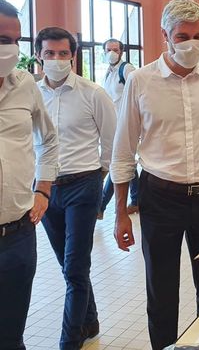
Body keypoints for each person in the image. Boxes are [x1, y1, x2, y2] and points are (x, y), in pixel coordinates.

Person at [111, 0, 199, 350]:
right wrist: (120, 214)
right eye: (183, 35)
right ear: (165, 36)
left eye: (198, 36)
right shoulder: (141, 82)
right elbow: (124, 150)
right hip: (159, 197)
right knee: (161, 289)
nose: (191, 44)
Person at [35, 27, 116, 349]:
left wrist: (100, 178)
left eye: (63, 53)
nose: (56, 59)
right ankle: (91, 321)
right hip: (45, 189)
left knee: (76, 265)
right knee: (68, 266)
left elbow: (111, 141)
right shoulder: (31, 94)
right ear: (39, 56)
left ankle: (70, 340)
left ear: (73, 56)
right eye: (50, 53)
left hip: (83, 183)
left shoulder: (92, 93)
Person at [0, 0, 58, 350]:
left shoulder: (25, 85)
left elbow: (48, 140)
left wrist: (44, 189)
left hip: (17, 235)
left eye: (13, 39)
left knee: (10, 337)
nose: (8, 48)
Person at [98, 38, 138, 220]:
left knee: (117, 163)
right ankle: (136, 199)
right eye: (108, 49)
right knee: (125, 163)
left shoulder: (127, 69)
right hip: (112, 125)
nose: (112, 52)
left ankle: (101, 206)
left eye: (115, 49)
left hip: (124, 125)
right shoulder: (108, 72)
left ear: (121, 51)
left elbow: (137, 93)